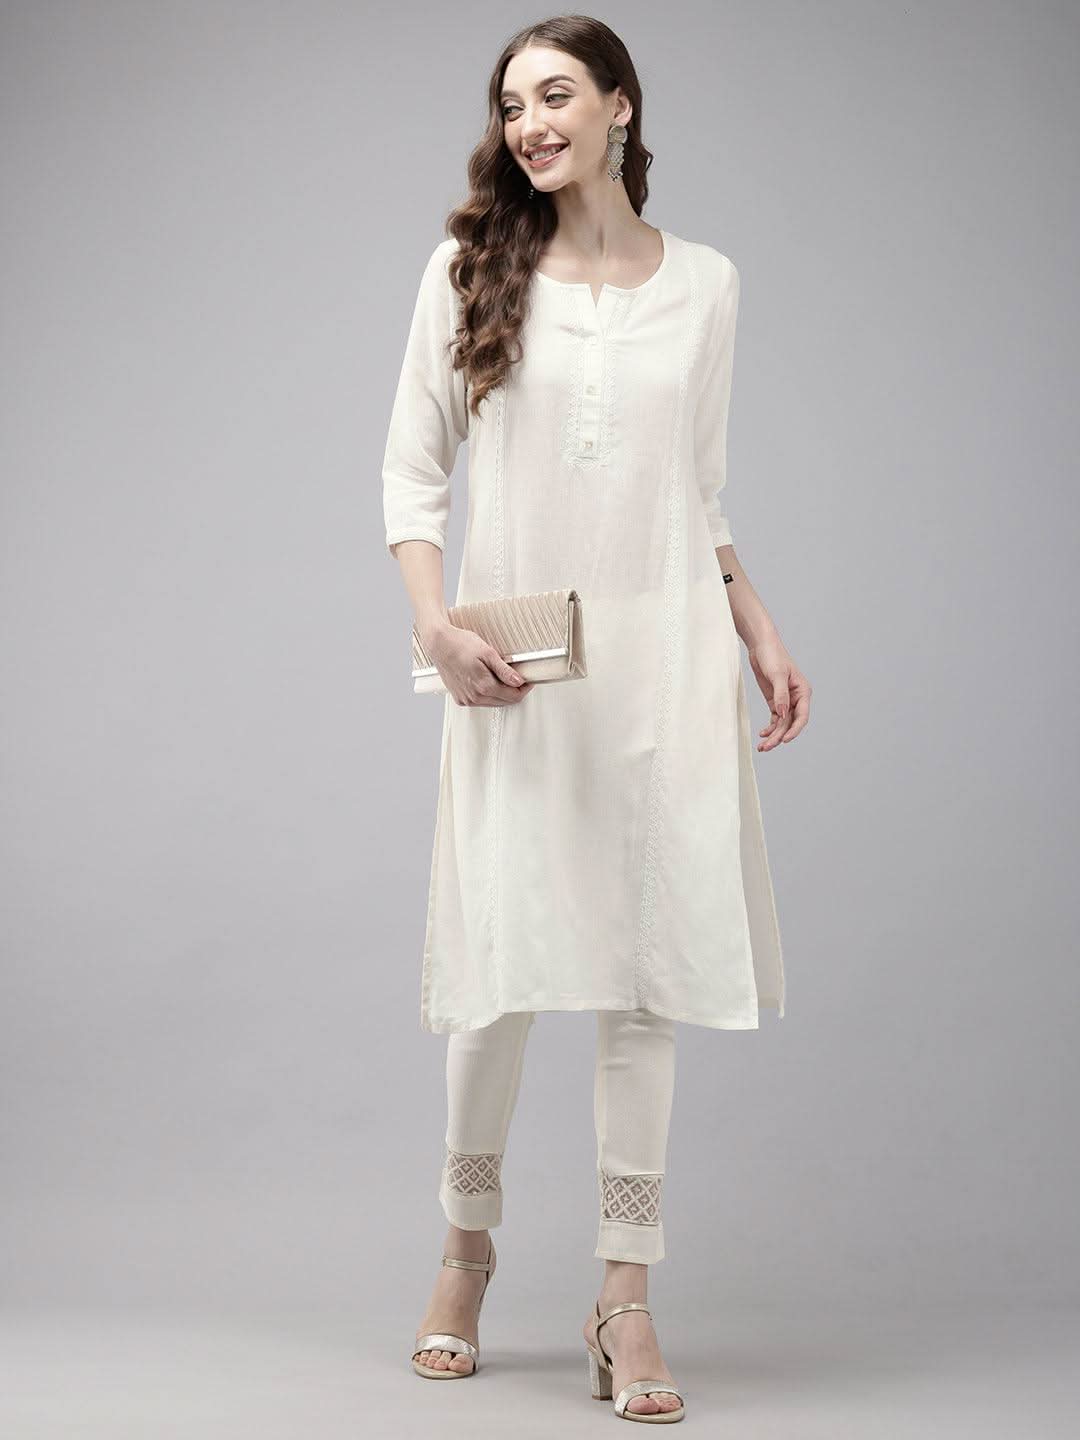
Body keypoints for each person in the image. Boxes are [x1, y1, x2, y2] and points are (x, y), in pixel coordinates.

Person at [382, 14, 811, 1423]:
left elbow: (701, 488)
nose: (530, 124)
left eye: (556, 94)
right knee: (498, 968)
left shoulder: (709, 284)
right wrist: (436, 630)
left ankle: (625, 1298)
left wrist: (752, 619)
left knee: (643, 978)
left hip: (664, 662)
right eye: (512, 104)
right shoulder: (469, 268)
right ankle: (464, 1256)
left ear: (621, 104)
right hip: (523, 665)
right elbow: (412, 475)